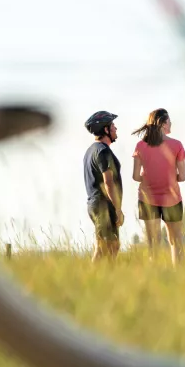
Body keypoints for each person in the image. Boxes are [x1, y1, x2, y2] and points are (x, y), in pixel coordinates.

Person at [131, 108, 185, 265]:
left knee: (153, 245)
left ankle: (153, 278)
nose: (171, 124)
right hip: (173, 199)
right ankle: (180, 276)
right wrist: (169, 177)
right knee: (176, 241)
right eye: (169, 121)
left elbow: (135, 176)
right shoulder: (177, 145)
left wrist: (150, 177)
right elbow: (182, 176)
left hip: (147, 199)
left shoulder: (140, 146)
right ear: (162, 123)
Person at [83, 110, 124, 262]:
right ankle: (93, 280)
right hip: (103, 204)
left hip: (98, 203)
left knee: (111, 246)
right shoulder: (102, 151)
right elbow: (108, 182)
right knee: (105, 247)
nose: (115, 128)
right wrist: (118, 209)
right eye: (112, 125)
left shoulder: (91, 151)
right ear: (105, 130)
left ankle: (107, 277)